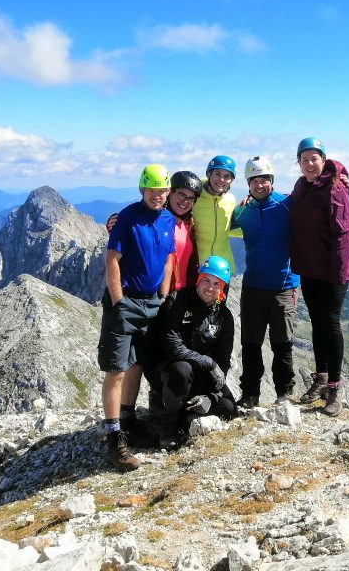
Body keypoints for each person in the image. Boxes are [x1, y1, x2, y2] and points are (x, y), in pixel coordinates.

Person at [99, 164, 176, 471]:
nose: (157, 196)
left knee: (136, 364)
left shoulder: (168, 218)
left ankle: (128, 421)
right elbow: (112, 259)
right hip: (127, 302)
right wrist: (118, 302)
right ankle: (113, 438)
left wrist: (164, 292)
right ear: (142, 190)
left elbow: (169, 256)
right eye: (152, 190)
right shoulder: (127, 217)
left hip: (151, 304)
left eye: (162, 191)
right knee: (117, 369)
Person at [289, 137, 349, 416]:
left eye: (314, 158)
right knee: (317, 323)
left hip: (332, 271)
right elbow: (288, 205)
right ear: (299, 164)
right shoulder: (301, 186)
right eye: (304, 159)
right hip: (309, 268)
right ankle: (322, 378)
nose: (309, 163)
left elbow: (343, 233)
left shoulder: (335, 187)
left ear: (323, 160)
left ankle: (336, 389)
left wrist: (336, 273)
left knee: (331, 324)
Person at [231, 156, 300, 408]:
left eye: (264, 180)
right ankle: (250, 395)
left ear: (272, 181)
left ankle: (284, 393)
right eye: (254, 181)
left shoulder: (288, 204)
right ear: (248, 184)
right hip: (252, 287)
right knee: (250, 344)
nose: (259, 185)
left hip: (283, 286)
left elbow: (315, 199)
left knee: (282, 344)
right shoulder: (242, 211)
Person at [147, 256, 236, 448]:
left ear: (222, 288)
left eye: (216, 283)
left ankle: (188, 417)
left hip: (201, 376)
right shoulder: (177, 300)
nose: (210, 288)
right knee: (182, 369)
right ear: (198, 280)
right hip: (168, 370)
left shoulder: (224, 317)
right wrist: (208, 363)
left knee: (229, 408)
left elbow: (223, 361)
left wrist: (211, 398)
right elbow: (172, 346)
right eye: (206, 280)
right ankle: (168, 426)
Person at [191, 155, 240, 272]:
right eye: (217, 174)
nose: (221, 180)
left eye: (227, 176)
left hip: (222, 268)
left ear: (232, 180)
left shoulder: (231, 200)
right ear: (209, 174)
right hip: (196, 267)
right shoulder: (194, 197)